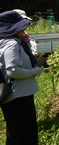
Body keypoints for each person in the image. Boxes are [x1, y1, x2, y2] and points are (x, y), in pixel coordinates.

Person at [0, 10, 45, 145]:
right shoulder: (11, 44)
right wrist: (35, 71)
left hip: (15, 95)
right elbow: (13, 71)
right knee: (23, 133)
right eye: (21, 26)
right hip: (18, 95)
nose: (24, 29)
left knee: (16, 131)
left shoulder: (4, 42)